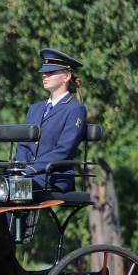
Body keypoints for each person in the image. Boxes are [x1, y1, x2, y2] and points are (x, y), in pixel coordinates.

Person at [13, 49, 87, 195]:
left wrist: (31, 169)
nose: (45, 75)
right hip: (29, 175)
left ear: (66, 76)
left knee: (14, 190)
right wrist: (20, 169)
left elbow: (64, 150)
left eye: (51, 72)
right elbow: (23, 144)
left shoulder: (75, 110)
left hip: (55, 177)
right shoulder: (35, 109)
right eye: (44, 72)